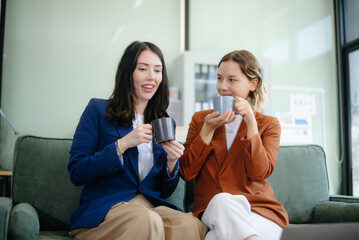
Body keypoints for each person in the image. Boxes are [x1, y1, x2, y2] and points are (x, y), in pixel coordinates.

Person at [68, 41, 207, 240]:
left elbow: (164, 191)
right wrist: (122, 145)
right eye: (143, 69)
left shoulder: (164, 122)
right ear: (128, 72)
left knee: (189, 225)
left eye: (157, 70)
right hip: (107, 208)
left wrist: (171, 163)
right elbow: (77, 171)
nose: (152, 76)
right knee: (146, 219)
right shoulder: (98, 110)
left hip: (149, 205)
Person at [180, 50, 289, 240]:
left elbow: (259, 173)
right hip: (214, 210)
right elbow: (186, 172)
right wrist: (207, 130)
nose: (222, 86)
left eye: (232, 80)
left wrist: (251, 123)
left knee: (213, 238)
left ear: (253, 83)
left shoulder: (268, 124)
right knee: (221, 201)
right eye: (219, 78)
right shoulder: (200, 120)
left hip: (259, 211)